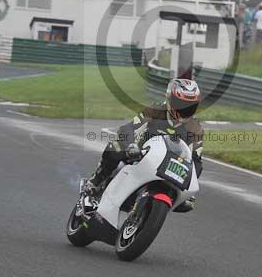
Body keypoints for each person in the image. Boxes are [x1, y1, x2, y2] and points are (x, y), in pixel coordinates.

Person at [84, 79, 203, 213]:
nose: (185, 109)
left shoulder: (195, 128)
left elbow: (196, 160)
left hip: (167, 167)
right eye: (181, 104)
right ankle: (96, 180)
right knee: (116, 147)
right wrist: (131, 145)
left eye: (189, 106)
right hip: (138, 154)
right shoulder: (155, 110)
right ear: (170, 99)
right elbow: (127, 128)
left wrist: (190, 183)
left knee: (185, 203)